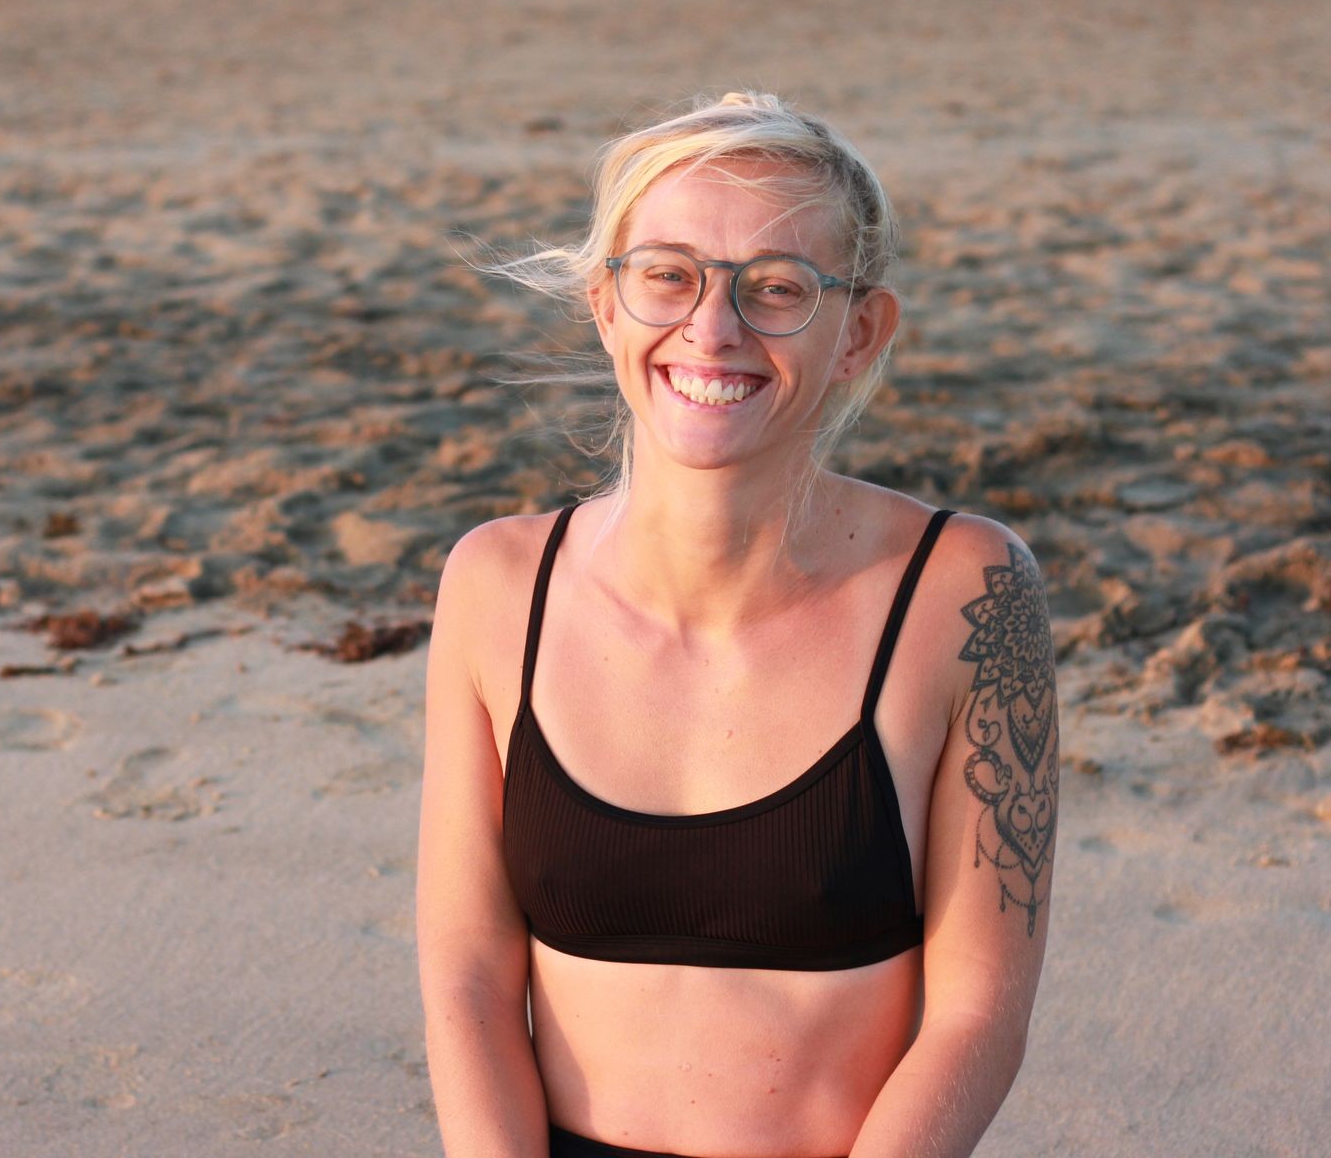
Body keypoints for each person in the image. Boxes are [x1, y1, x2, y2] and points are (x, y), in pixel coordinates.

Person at [416, 92, 1060, 1158]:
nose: (712, 329)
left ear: (859, 331)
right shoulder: (496, 586)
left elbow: (977, 1015)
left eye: (776, 288)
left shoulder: (968, 593)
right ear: (606, 306)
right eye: (667, 274)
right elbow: (469, 976)